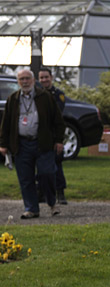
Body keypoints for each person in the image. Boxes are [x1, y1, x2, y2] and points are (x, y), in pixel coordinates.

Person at [0, 67, 64, 219]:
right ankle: (31, 208)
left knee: (46, 173)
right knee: (25, 178)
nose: (25, 82)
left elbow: (58, 121)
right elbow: (6, 123)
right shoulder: (13, 98)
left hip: (42, 143)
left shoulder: (45, 97)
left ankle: (52, 202)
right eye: (21, 79)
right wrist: (3, 144)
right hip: (22, 145)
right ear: (18, 82)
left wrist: (59, 140)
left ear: (34, 80)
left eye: (27, 78)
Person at [37, 67, 68, 205]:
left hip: (54, 136)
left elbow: (57, 116)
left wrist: (58, 139)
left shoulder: (58, 95)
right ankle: (42, 193)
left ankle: (60, 193)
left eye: (46, 77)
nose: (44, 80)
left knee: (56, 164)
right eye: (41, 78)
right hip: (39, 136)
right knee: (40, 166)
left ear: (51, 77)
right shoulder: (36, 94)